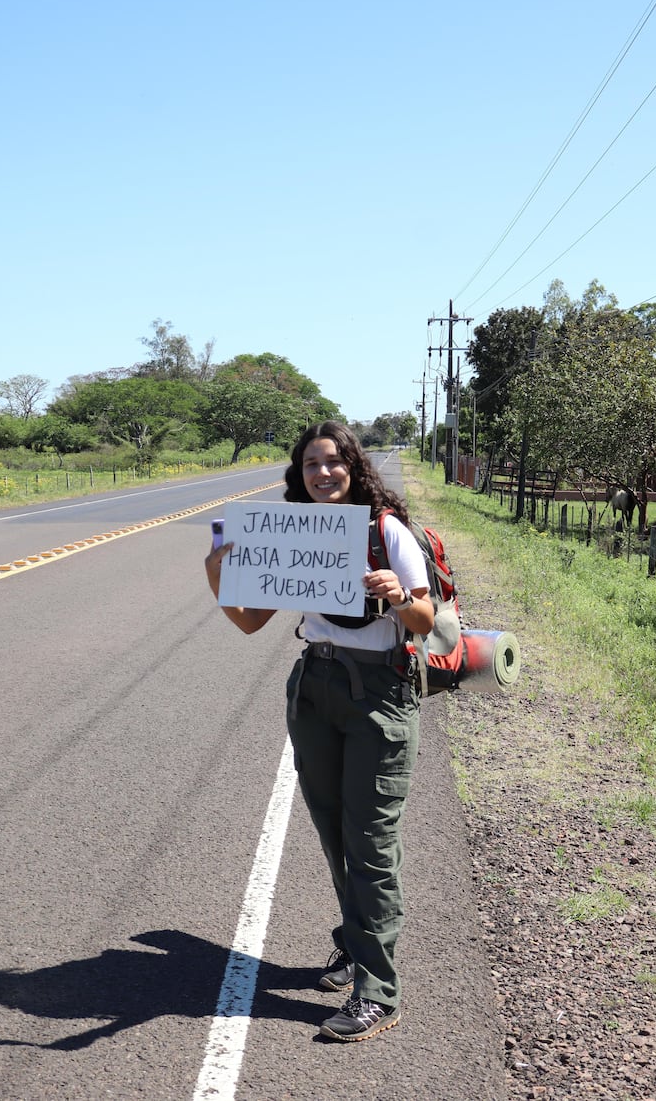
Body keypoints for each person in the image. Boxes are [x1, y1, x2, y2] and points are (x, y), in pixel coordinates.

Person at [204, 421, 433, 1042]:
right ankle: (355, 943)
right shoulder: (296, 532)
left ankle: (378, 992)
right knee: (335, 834)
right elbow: (250, 622)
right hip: (315, 689)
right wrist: (217, 573)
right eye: (310, 464)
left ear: (353, 467)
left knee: (371, 841)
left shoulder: (385, 530)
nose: (322, 472)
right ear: (297, 473)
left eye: (333, 462)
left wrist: (395, 595)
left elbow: (426, 617)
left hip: (379, 696)